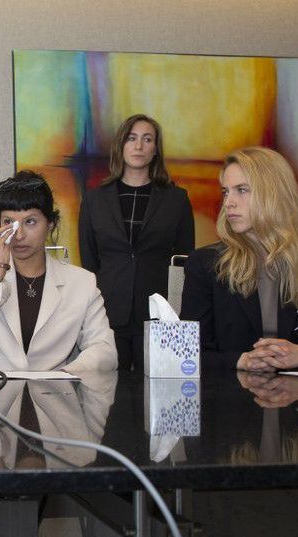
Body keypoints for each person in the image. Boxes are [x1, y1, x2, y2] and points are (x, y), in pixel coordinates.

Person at [180, 146, 298, 371]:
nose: (228, 202)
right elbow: (189, 355)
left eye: (241, 190)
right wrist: (242, 360)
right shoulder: (205, 264)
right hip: (232, 400)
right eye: (226, 191)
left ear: (274, 193)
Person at [0, 170, 117, 391]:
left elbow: (104, 349)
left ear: (51, 224)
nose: (19, 235)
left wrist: (64, 377)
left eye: (31, 222)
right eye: (9, 222)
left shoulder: (82, 282)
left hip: (51, 400)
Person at [79, 114, 195, 372]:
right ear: (121, 146)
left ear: (156, 150)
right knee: (110, 398)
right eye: (131, 138)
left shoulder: (176, 200)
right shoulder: (94, 200)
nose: (139, 146)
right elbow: (89, 261)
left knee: (156, 393)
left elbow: (184, 261)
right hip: (107, 312)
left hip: (157, 313)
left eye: (147, 139)